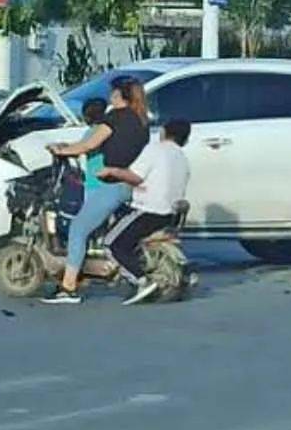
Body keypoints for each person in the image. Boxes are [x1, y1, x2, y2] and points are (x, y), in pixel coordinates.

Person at [44, 76, 150, 305]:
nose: (110, 97)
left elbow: (89, 144)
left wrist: (61, 150)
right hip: (127, 183)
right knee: (96, 229)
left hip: (109, 184)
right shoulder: (141, 121)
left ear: (121, 96)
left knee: (78, 229)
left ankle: (68, 288)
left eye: (113, 93)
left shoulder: (115, 118)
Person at [103, 118, 192, 305]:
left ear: (164, 132)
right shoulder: (181, 157)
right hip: (169, 213)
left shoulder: (155, 149)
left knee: (112, 244)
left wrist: (113, 171)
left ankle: (141, 280)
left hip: (148, 211)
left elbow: (135, 176)